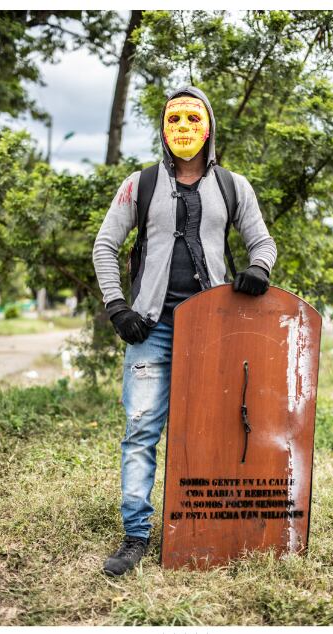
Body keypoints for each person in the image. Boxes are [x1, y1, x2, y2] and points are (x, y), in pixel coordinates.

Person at [92, 87, 277, 577]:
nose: (184, 129)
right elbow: (105, 244)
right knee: (141, 430)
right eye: (175, 119)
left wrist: (258, 268)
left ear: (209, 127)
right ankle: (135, 535)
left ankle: (209, 525)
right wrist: (116, 306)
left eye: (194, 119)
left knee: (218, 427)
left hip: (214, 328)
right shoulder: (142, 184)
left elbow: (262, 240)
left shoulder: (234, 187)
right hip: (150, 328)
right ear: (163, 128)